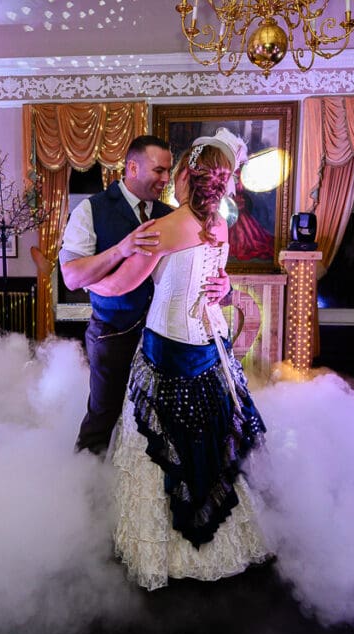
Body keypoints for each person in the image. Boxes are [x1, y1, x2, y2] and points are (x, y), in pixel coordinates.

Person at [87, 129, 269, 590]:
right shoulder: (221, 223)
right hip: (210, 348)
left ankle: (165, 548)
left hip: (167, 347)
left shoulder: (165, 228)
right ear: (223, 181)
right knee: (207, 442)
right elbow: (217, 279)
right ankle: (215, 539)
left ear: (188, 175)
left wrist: (85, 280)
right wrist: (223, 287)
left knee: (158, 448)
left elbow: (122, 284)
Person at [60, 135, 232, 454]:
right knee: (104, 415)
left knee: (146, 424)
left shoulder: (172, 215)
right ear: (133, 167)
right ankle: (85, 493)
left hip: (163, 345)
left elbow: (194, 270)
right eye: (159, 170)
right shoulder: (90, 210)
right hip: (114, 333)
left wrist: (225, 286)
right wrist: (120, 250)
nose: (165, 179)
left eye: (170, 171)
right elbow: (71, 276)